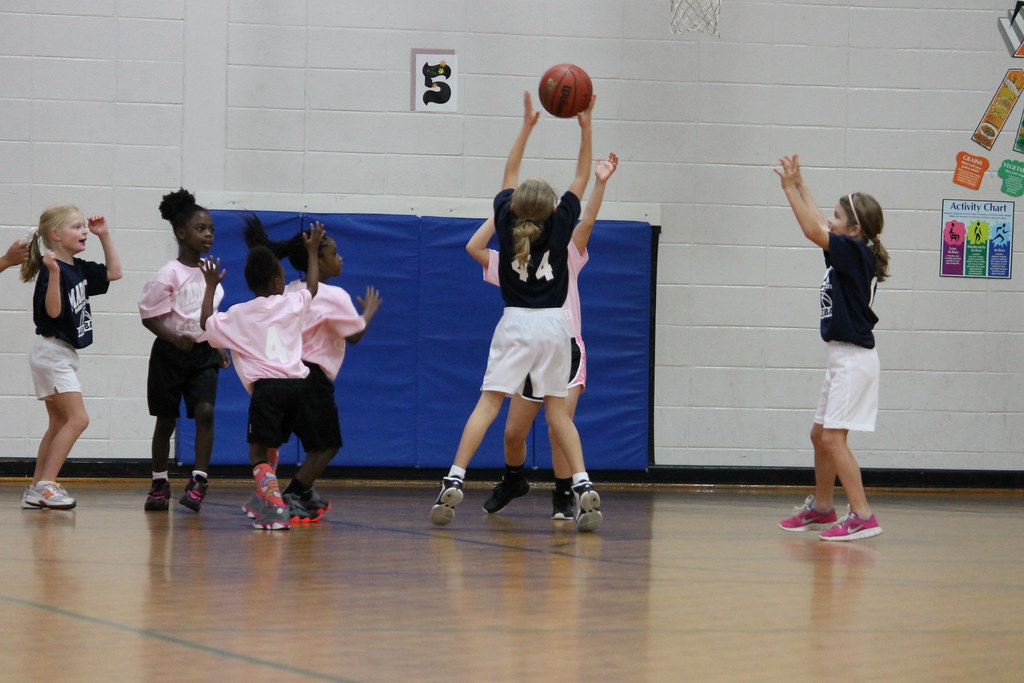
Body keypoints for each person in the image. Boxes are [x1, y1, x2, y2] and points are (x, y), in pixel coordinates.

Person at [429, 91, 604, 533]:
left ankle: (455, 476)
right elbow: (582, 175)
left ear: (511, 209)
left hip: (514, 325)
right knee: (558, 414)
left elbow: (508, 173)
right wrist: (585, 127)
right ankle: (581, 485)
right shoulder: (563, 226)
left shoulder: (505, 229)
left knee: (488, 404)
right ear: (552, 211)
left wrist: (526, 127)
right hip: (555, 328)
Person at [467, 151, 618, 520]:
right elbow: (474, 248)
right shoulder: (516, 255)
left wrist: (600, 182)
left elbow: (590, 217)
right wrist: (501, 214)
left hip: (565, 346)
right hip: (530, 347)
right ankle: (514, 479)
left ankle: (566, 494)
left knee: (556, 424)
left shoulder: (569, 248)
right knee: (513, 433)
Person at [774, 154, 890, 542]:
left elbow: (811, 230)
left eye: (838, 218)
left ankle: (863, 515)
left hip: (854, 359)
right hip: (842, 357)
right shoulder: (849, 247)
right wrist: (802, 184)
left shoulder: (853, 253)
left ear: (855, 228)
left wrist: (789, 190)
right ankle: (824, 509)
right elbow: (820, 224)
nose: (830, 222)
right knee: (819, 435)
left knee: (833, 439)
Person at [241, 215, 382, 521]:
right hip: (312, 378)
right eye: (334, 252)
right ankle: (293, 493)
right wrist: (368, 312)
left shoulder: (290, 290)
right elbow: (355, 335)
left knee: (273, 446)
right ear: (317, 257)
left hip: (280, 376)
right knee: (327, 446)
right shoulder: (334, 295)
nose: (340, 257)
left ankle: (288, 493)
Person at [198, 223, 328, 530]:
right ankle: (262, 501)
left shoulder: (240, 314)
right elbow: (311, 288)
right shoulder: (291, 303)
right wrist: (311, 251)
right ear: (280, 281)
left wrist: (209, 285)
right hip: (299, 388)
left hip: (267, 391)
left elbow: (206, 324)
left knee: (257, 452)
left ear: (249, 282)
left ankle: (275, 509)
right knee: (271, 447)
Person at [19, 206, 122, 509]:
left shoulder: (78, 266)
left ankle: (36, 487)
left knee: (58, 423)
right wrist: (52, 275)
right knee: (78, 419)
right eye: (76, 227)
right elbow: (53, 312)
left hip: (59, 353)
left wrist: (105, 236)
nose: (84, 231)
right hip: (51, 352)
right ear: (56, 235)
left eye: (83, 227)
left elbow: (115, 273)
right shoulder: (53, 271)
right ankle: (46, 485)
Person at [138, 189, 231, 513]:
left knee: (205, 412)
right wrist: (173, 338)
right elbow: (148, 315)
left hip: (203, 354)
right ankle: (160, 482)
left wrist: (219, 344)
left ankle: (199, 479)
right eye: (201, 229)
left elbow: (213, 317)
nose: (208, 235)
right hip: (170, 354)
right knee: (166, 420)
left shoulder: (211, 273)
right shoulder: (169, 273)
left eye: (211, 230)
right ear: (181, 233)